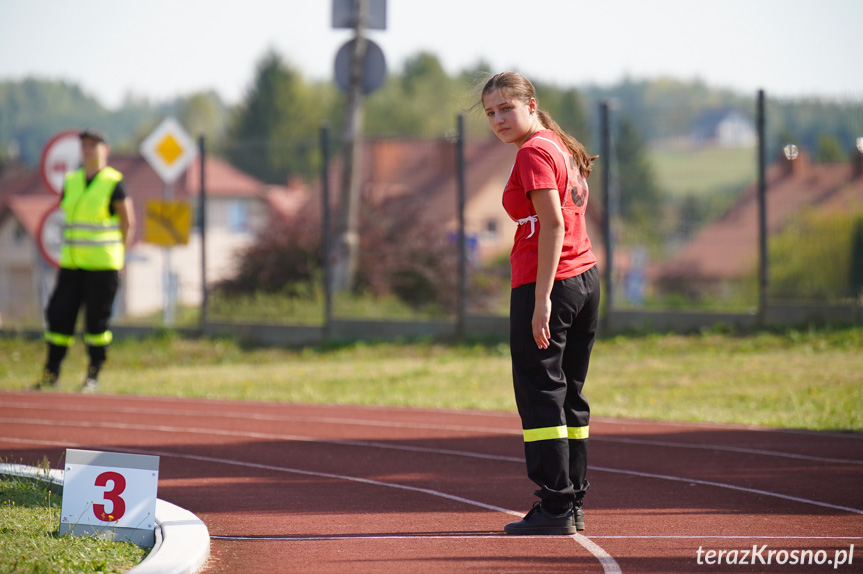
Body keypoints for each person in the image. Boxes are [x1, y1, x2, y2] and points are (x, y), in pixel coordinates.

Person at [480, 72, 600, 535]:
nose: (497, 120)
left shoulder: (533, 152)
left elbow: (551, 224)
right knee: (569, 393)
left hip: (550, 282)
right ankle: (572, 502)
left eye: (506, 108)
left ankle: (555, 507)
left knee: (541, 393)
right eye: (490, 113)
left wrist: (542, 299)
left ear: (531, 104)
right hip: (585, 277)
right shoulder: (558, 145)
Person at [34, 128, 135, 392]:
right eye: (84, 146)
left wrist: (120, 257)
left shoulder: (114, 182)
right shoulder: (72, 181)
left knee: (96, 324)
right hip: (72, 264)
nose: (88, 150)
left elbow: (128, 222)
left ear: (105, 149)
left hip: (102, 265)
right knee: (58, 318)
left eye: (93, 145)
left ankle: (93, 376)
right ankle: (50, 374)